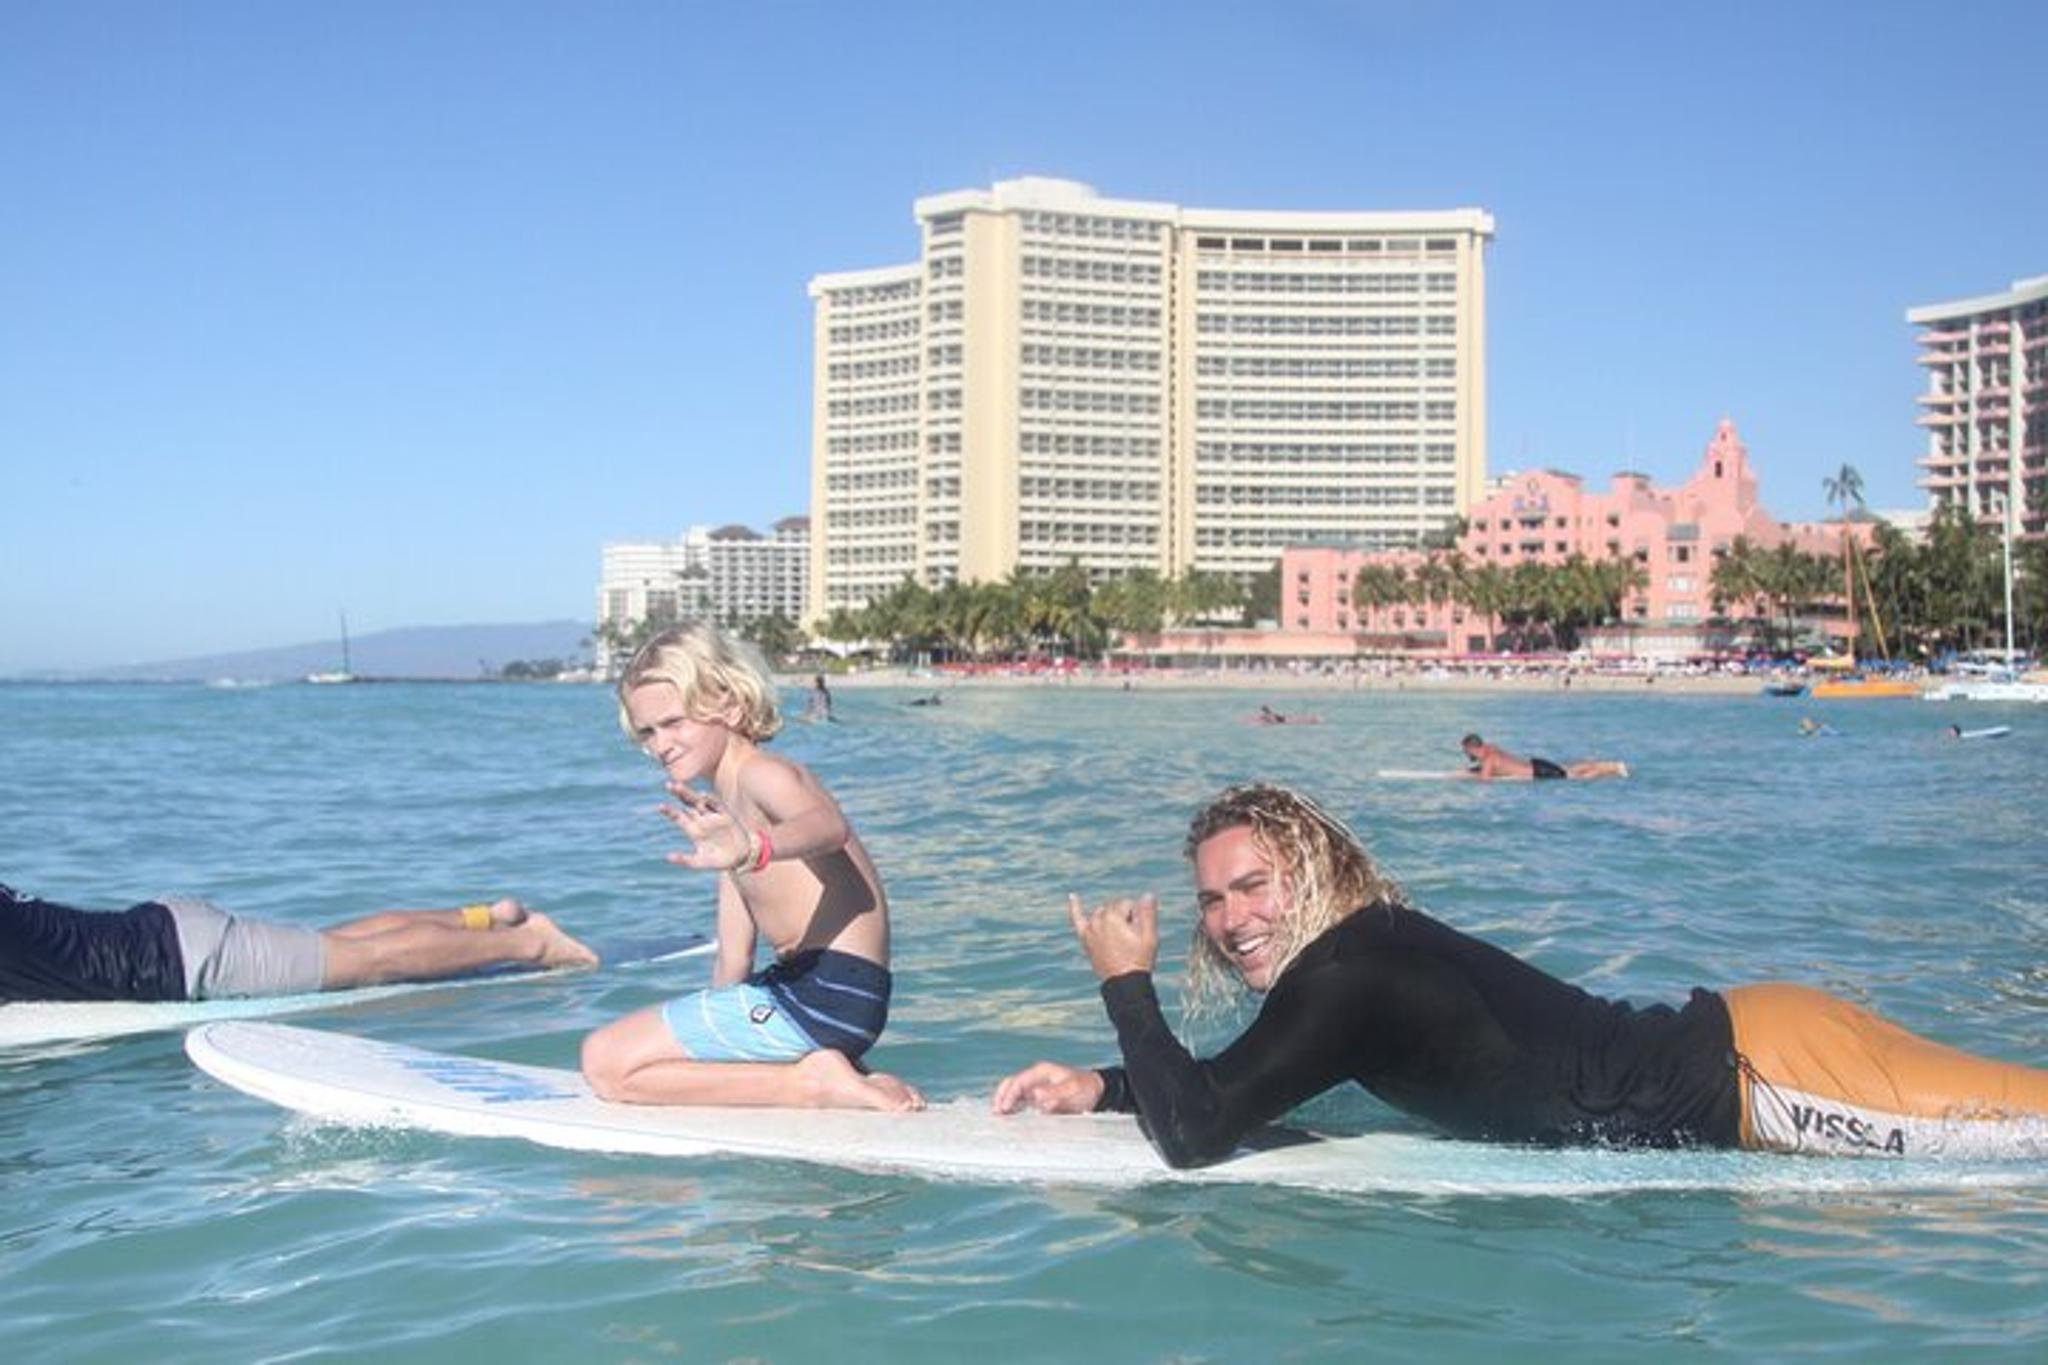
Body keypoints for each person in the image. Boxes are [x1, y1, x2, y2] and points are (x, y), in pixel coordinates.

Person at [992, 783, 2048, 1165]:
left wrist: (1124, 985)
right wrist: (1105, 1086)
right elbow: (1248, 1084)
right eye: (1213, 900)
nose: (1230, 920)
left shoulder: (1351, 975)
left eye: (1253, 886)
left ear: (1309, 870)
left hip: (1768, 1075)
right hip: (1761, 1048)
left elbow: (1196, 1135)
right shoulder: (1356, 959)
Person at [580, 622, 922, 1111]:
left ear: (731, 705)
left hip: (826, 991)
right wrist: (712, 1049)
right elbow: (734, 961)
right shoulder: (729, 822)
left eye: (674, 722)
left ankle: (812, 1084)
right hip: (819, 996)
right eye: (648, 732)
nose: (660, 744)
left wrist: (754, 848)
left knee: (605, 1061)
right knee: (645, 1062)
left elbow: (829, 826)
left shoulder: (763, 774)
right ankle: (838, 1074)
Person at [0, 883, 596, 1004]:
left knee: (366, 963)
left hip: (183, 963)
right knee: (333, 943)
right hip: (165, 928)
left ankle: (531, 944)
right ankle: (485, 917)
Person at [1460, 732, 1626, 780]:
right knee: (1569, 769)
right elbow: (1501, 765)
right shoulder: (1491, 748)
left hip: (1539, 773)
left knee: (1577, 778)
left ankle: (1613, 770)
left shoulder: (1488, 760)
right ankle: (1613, 765)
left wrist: (1466, 777)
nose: (1465, 753)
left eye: (1465, 750)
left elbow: (1485, 780)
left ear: (1471, 748)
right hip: (1537, 764)